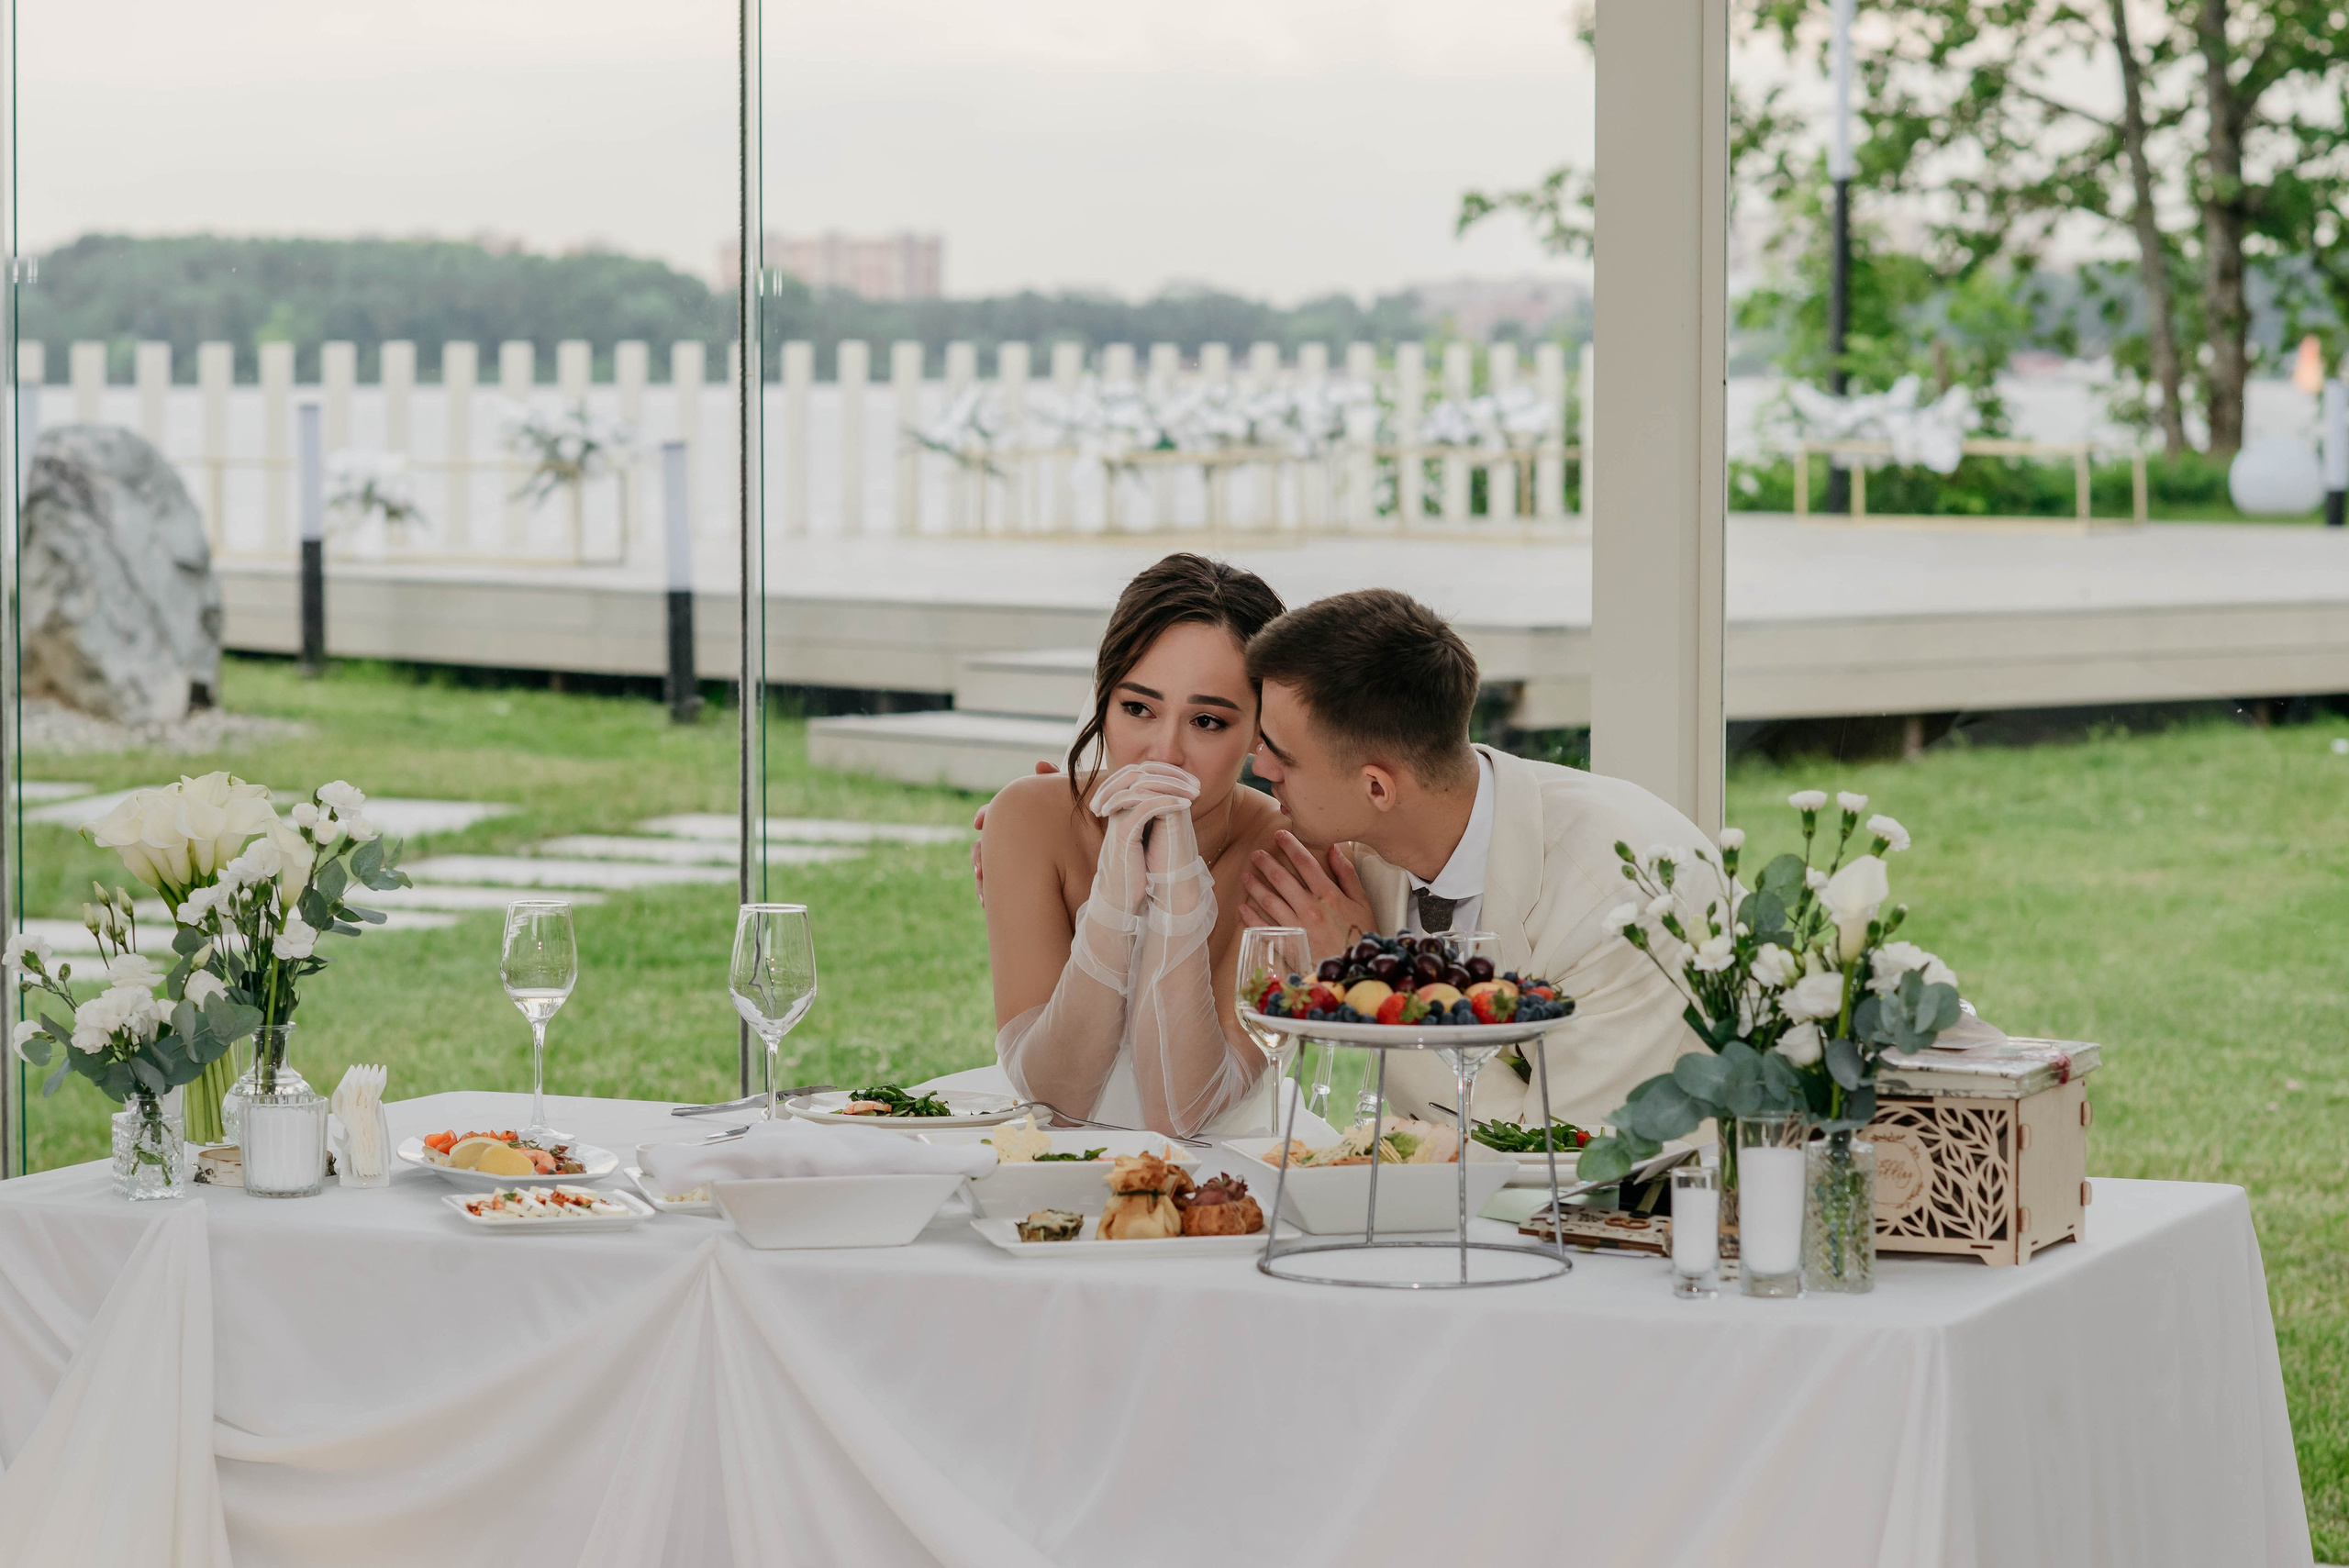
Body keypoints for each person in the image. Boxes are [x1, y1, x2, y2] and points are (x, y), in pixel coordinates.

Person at [1237, 588, 1730, 1130]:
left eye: (1280, 754)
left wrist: (1365, 987)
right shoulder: (1353, 856)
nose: (1260, 768)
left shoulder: (1616, 900)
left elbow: (1559, 1150)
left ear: (1377, 787)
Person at [978, 553, 1297, 1140]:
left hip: (1237, 1173)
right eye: (1138, 709)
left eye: (1207, 722)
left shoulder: (1283, 854)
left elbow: (1183, 1114)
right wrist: (1115, 898)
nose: (1164, 753)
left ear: (1259, 727)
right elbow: (1056, 1102)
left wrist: (1176, 889)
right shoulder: (1025, 818)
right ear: (1102, 698)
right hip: (1050, 1166)